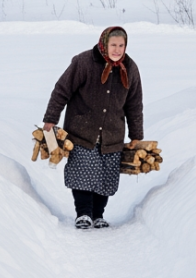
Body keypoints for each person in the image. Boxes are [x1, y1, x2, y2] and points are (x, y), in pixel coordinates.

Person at [43, 26, 143, 229]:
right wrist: (50, 119)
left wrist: (136, 134)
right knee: (83, 173)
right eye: (113, 45)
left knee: (105, 177)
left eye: (121, 45)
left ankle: (98, 215)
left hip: (112, 133)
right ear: (104, 44)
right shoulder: (84, 62)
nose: (117, 50)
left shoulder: (130, 68)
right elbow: (61, 90)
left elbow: (134, 103)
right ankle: (83, 214)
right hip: (82, 130)